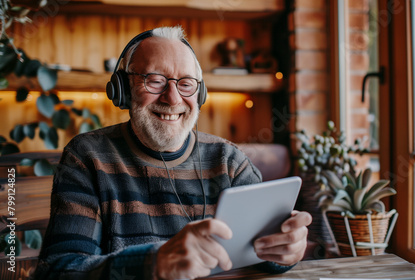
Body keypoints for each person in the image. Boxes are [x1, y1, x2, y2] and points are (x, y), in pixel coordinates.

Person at [34, 26, 312, 280]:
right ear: (123, 89)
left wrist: (284, 252)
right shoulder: (87, 157)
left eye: (186, 83)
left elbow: (264, 249)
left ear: (200, 95)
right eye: (155, 81)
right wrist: (153, 263)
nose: (174, 98)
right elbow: (60, 270)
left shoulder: (230, 162)